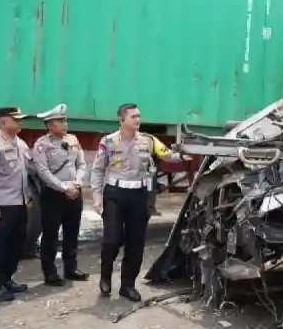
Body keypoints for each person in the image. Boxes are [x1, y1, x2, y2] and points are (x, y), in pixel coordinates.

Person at [90, 103, 189, 301]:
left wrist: (185, 154)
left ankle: (127, 285)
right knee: (112, 239)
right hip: (115, 195)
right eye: (133, 116)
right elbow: (98, 170)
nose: (138, 120)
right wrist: (96, 197)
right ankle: (105, 277)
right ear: (121, 120)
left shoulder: (149, 140)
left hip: (139, 196)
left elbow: (168, 155)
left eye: (139, 116)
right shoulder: (108, 142)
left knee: (135, 243)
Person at [0, 107, 33, 302]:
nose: (21, 123)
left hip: (19, 203)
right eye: (16, 119)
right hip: (2, 205)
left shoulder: (21, 144)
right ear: (3, 122)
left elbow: (24, 174)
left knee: (16, 244)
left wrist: (27, 196)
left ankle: (7, 279)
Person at [32, 103, 89, 286]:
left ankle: (70, 269)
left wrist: (78, 182)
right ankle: (50, 273)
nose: (65, 124)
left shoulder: (73, 139)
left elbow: (81, 164)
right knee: (50, 235)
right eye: (60, 121)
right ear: (49, 125)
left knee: (72, 232)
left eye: (65, 120)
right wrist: (64, 187)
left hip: (75, 192)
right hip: (54, 195)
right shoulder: (42, 144)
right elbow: (42, 171)